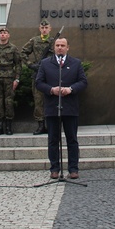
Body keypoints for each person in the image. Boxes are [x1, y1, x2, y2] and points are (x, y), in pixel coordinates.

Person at [35, 37, 88, 180]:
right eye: (57, 45)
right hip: (52, 107)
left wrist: (71, 89)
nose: (60, 48)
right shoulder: (46, 63)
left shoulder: (75, 63)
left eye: (62, 45)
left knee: (72, 139)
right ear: (54, 47)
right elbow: (39, 83)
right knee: (53, 140)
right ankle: (54, 169)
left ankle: (73, 169)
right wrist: (51, 90)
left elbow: (83, 81)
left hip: (70, 107)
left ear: (67, 47)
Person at [21, 19, 54, 135]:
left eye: (46, 28)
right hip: (38, 74)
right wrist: (30, 65)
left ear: (50, 29)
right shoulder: (34, 41)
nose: (44, 30)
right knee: (38, 100)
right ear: (40, 29)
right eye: (42, 28)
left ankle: (51, 125)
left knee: (51, 100)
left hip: (51, 75)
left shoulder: (54, 42)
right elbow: (23, 53)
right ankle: (40, 125)